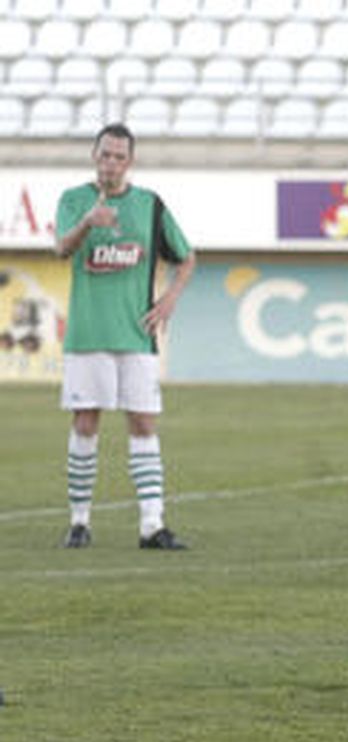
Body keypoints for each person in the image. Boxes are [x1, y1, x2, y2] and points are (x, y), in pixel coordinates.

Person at [54, 122, 196, 551]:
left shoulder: (149, 205)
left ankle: (152, 525)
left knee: (143, 422)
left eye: (118, 156)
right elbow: (62, 248)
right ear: (94, 157)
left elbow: (186, 257)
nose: (110, 163)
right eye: (104, 155)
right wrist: (87, 223)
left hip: (136, 337)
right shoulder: (74, 200)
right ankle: (79, 522)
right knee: (85, 422)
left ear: (129, 162)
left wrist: (169, 298)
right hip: (87, 334)